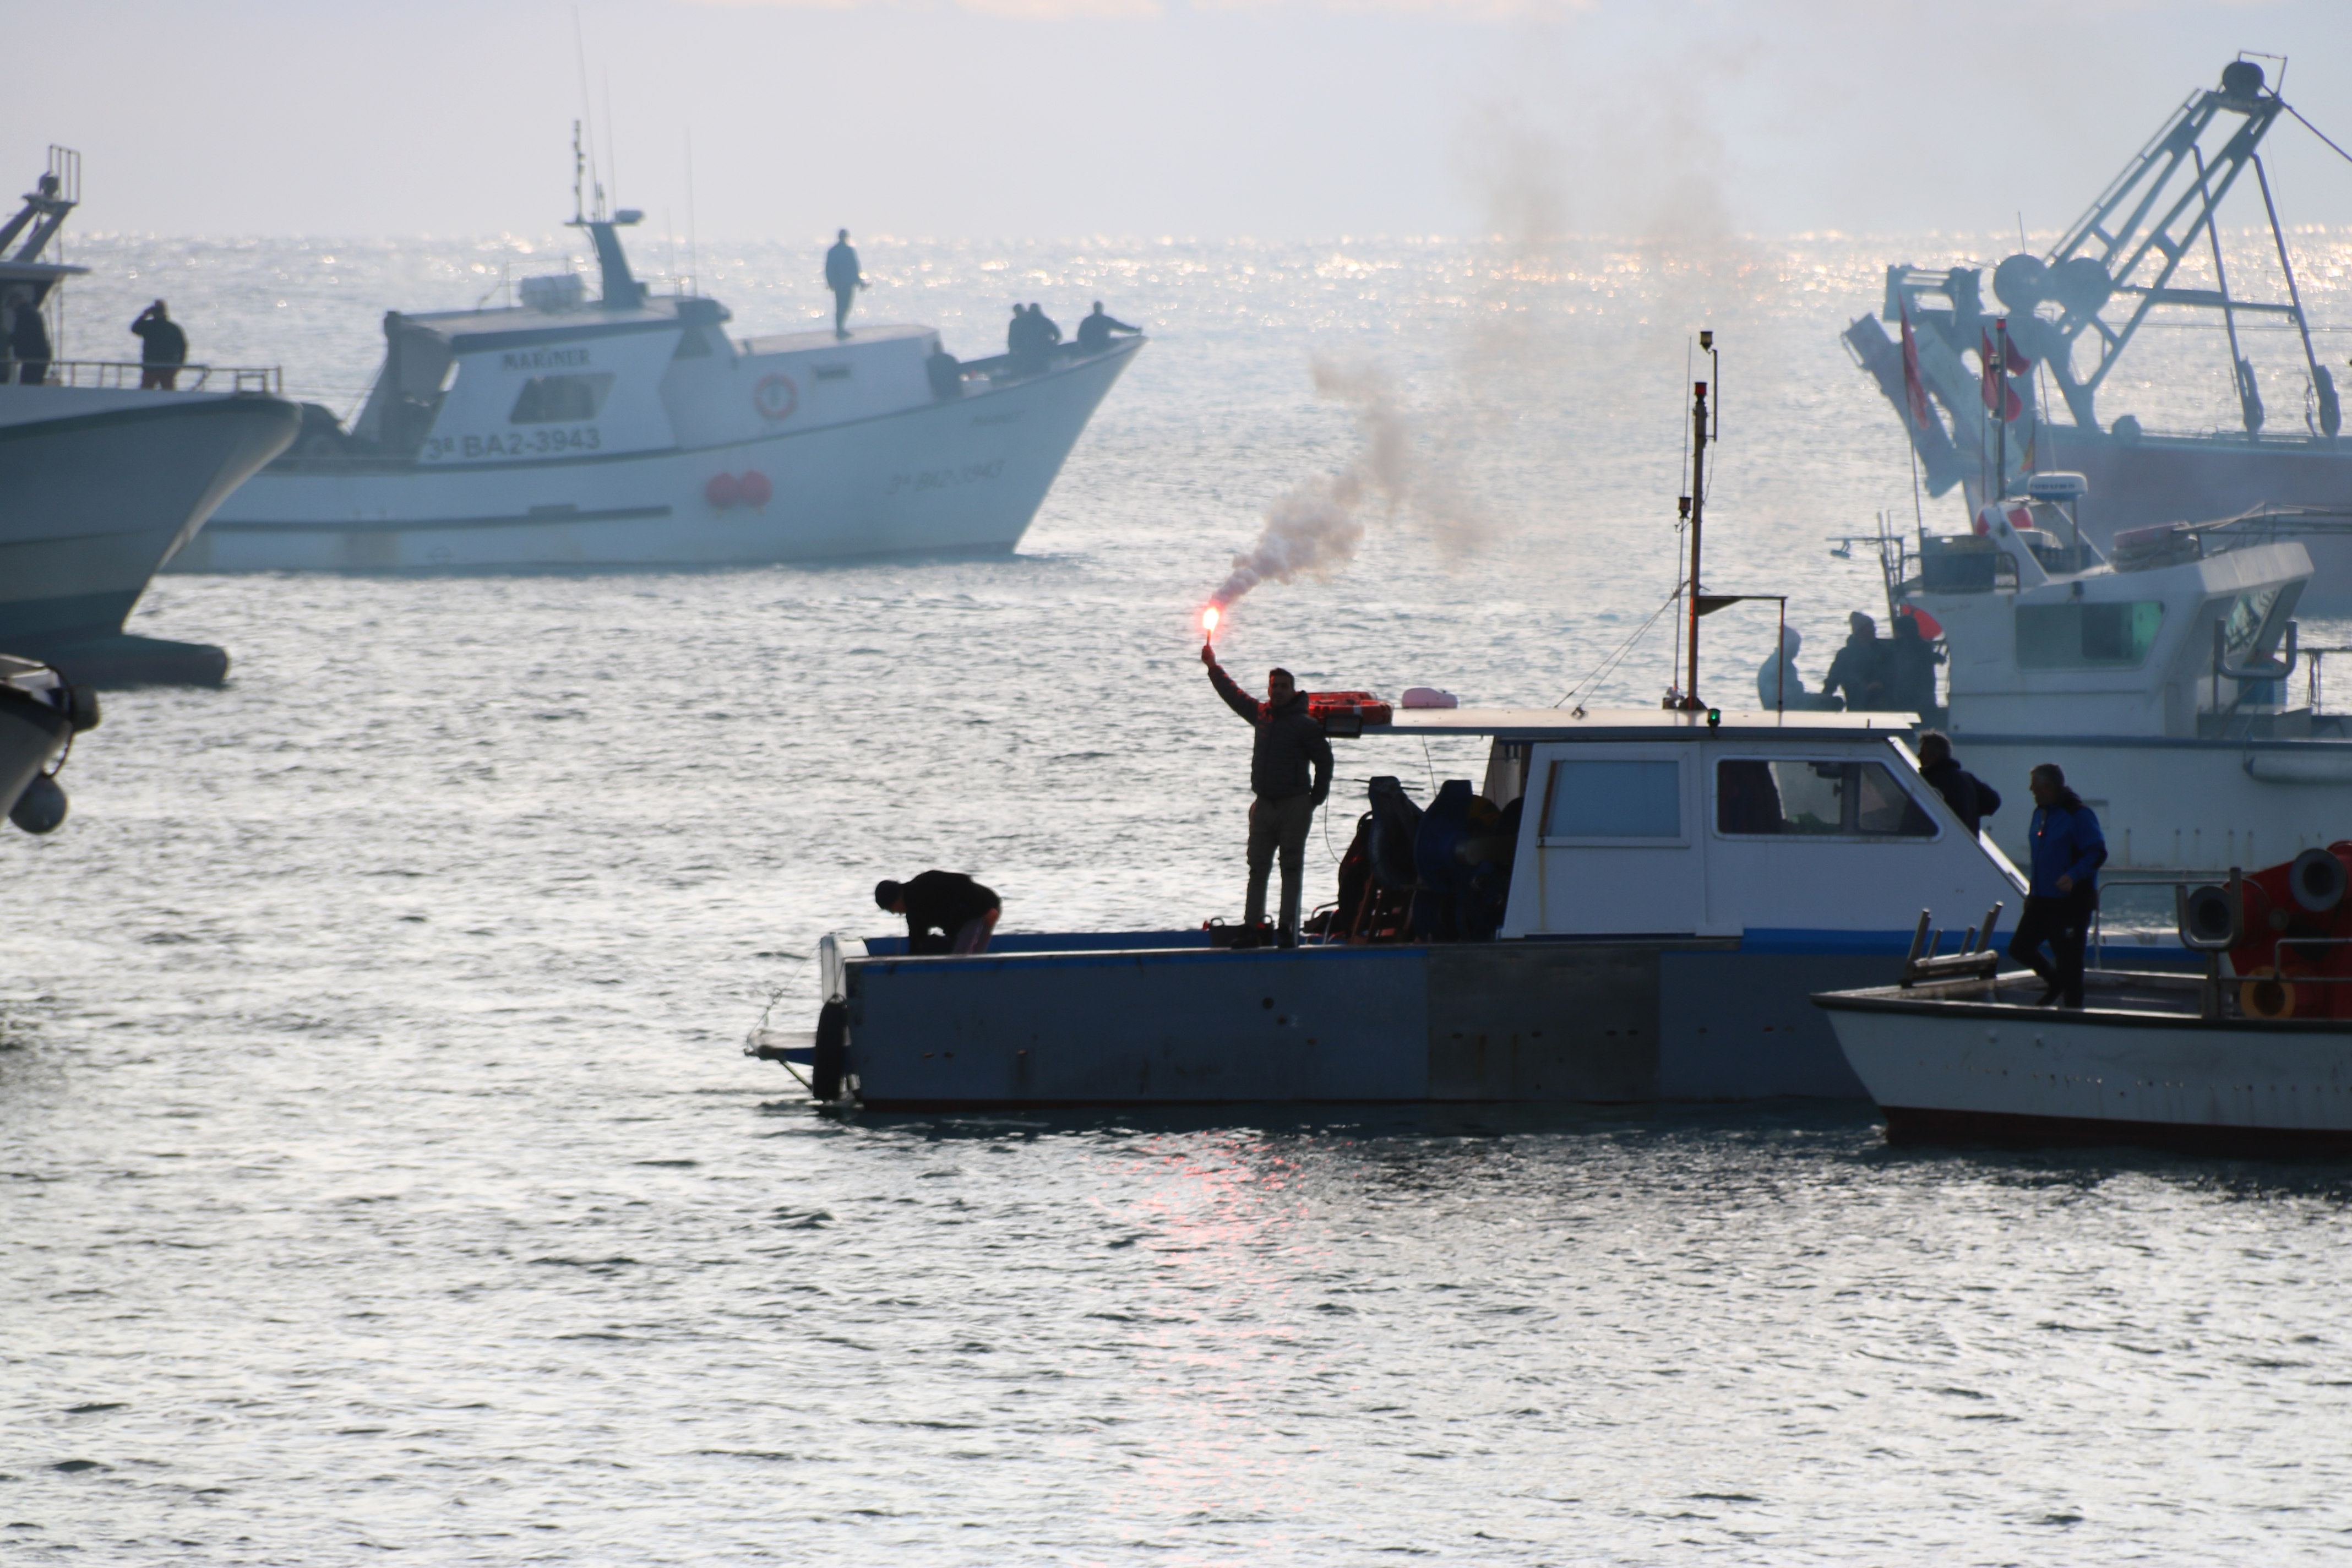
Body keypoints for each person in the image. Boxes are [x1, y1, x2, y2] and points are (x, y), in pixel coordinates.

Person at [1202, 641, 1333, 948]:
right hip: (1264, 805)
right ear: (1270, 689)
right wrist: (1212, 667)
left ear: (1294, 691)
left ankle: (1287, 928)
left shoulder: (1305, 725)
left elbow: (1325, 761)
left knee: (1291, 866)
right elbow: (1233, 695)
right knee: (1257, 868)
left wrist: (1316, 798)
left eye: (1285, 687)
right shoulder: (1262, 715)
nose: (1279, 691)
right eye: (1275, 686)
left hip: (1295, 805)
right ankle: (1252, 928)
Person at [2008, 763, 2105, 1008]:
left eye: (2035, 788)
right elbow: (2039, 857)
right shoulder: (2040, 814)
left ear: (2048, 787)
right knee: (2020, 947)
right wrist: (2032, 892)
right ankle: (2055, 982)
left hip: (2071, 903)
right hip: (2042, 899)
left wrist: (2074, 875)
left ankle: (2074, 1013)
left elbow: (2097, 852)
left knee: (2070, 962)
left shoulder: (2078, 814)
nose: (2032, 792)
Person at [876, 871, 1000, 956]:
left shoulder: (925, 884)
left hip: (980, 907)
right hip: (960, 921)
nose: (895, 913)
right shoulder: (913, 914)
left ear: (896, 899)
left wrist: (986, 909)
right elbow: (916, 942)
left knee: (963, 958)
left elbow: (963, 881)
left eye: (891, 909)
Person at [1914, 731, 2000, 836]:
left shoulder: (1929, 782)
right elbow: (1994, 801)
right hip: (1967, 845)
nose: (1919, 757)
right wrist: (1971, 812)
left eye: (1923, 753)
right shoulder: (1967, 778)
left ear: (1934, 756)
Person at [1756, 625, 1839, 711]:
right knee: (1836, 702)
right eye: (1795, 646)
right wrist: (1819, 697)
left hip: (1782, 707)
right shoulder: (1783, 666)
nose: (1797, 650)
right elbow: (1794, 699)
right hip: (1786, 709)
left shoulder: (1777, 662)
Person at [1822, 611, 1888, 711]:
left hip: (1884, 704)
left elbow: (1893, 674)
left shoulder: (1885, 652)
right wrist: (1825, 696)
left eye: (1873, 626)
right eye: (1868, 627)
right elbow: (1833, 680)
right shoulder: (1845, 655)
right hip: (1856, 704)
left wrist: (1882, 684)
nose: (1873, 629)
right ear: (1859, 632)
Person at [1885, 612, 1943, 713]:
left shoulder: (1894, 648)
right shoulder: (1925, 647)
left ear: (1899, 632)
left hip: (1904, 701)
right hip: (1927, 700)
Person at [131, 301, 187, 390]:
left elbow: (183, 347)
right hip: (150, 367)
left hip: (167, 368)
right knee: (146, 393)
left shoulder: (172, 328)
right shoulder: (148, 326)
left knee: (168, 395)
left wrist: (179, 364)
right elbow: (135, 329)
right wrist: (144, 316)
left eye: (159, 310)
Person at [824, 229, 864, 339]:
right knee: (844, 307)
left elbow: (828, 269)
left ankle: (840, 329)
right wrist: (859, 282)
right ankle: (840, 329)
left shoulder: (834, 251)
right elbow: (855, 268)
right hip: (845, 284)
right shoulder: (848, 250)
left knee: (841, 306)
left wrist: (830, 282)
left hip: (841, 284)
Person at [7, 290, 50, 385]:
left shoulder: (24, 313)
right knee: (33, 383)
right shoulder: (32, 311)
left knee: (28, 383)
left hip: (34, 357)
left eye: (12, 304)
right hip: (40, 356)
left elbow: (22, 335)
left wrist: (8, 340)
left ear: (17, 301)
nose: (12, 308)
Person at [1074, 302, 1140, 353]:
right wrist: (1134, 330)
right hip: (1103, 347)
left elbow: (1080, 336)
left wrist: (1083, 348)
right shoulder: (1106, 320)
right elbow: (1120, 327)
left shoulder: (1086, 321)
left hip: (1089, 348)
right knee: (1119, 342)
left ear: (1094, 309)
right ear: (1101, 308)